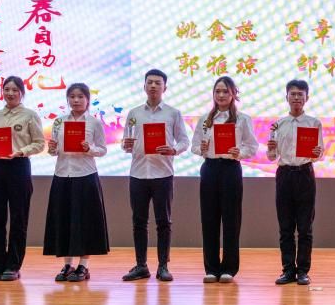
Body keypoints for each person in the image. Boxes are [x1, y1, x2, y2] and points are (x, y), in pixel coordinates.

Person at [121, 69, 190, 282]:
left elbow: (184, 141)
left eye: (157, 83)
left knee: (164, 222)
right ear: (144, 86)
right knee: (138, 222)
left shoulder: (173, 113)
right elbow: (126, 143)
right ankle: (141, 265)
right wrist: (126, 145)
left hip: (163, 174)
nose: (153, 86)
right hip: (138, 173)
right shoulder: (134, 113)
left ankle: (163, 266)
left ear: (164, 87)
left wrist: (173, 149)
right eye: (149, 82)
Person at [190, 76, 258, 283]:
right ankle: (211, 268)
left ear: (233, 94)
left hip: (231, 169)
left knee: (231, 219)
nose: (221, 95)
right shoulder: (205, 119)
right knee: (209, 219)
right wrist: (201, 149)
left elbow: (252, 147)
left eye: (225, 91)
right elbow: (194, 146)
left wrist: (240, 152)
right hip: (210, 168)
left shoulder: (243, 119)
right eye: (217, 91)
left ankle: (229, 268)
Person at [0, 75, 45, 281]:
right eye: (7, 89)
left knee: (18, 218)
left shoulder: (30, 115)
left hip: (19, 167)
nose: (10, 93)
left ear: (22, 93)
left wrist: (21, 152)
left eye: (15, 90)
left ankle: (13, 266)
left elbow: (39, 143)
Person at [43, 83, 110, 282]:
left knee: (85, 222)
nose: (76, 100)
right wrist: (52, 148)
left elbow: (102, 149)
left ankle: (83, 266)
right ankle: (67, 265)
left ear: (87, 99)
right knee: (64, 220)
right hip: (62, 175)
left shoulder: (94, 123)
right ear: (67, 99)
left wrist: (89, 149)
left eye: (80, 96)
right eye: (72, 96)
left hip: (85, 176)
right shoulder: (59, 122)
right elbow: (54, 151)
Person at [267, 79, 323, 286]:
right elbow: (272, 157)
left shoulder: (314, 123)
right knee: (285, 227)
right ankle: (288, 270)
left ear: (307, 98)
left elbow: (319, 154)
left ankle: (303, 272)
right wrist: (270, 148)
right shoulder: (278, 124)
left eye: (300, 94)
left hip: (305, 174)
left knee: (305, 227)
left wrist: (317, 152)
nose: (297, 98)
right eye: (293, 94)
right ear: (287, 97)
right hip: (284, 175)